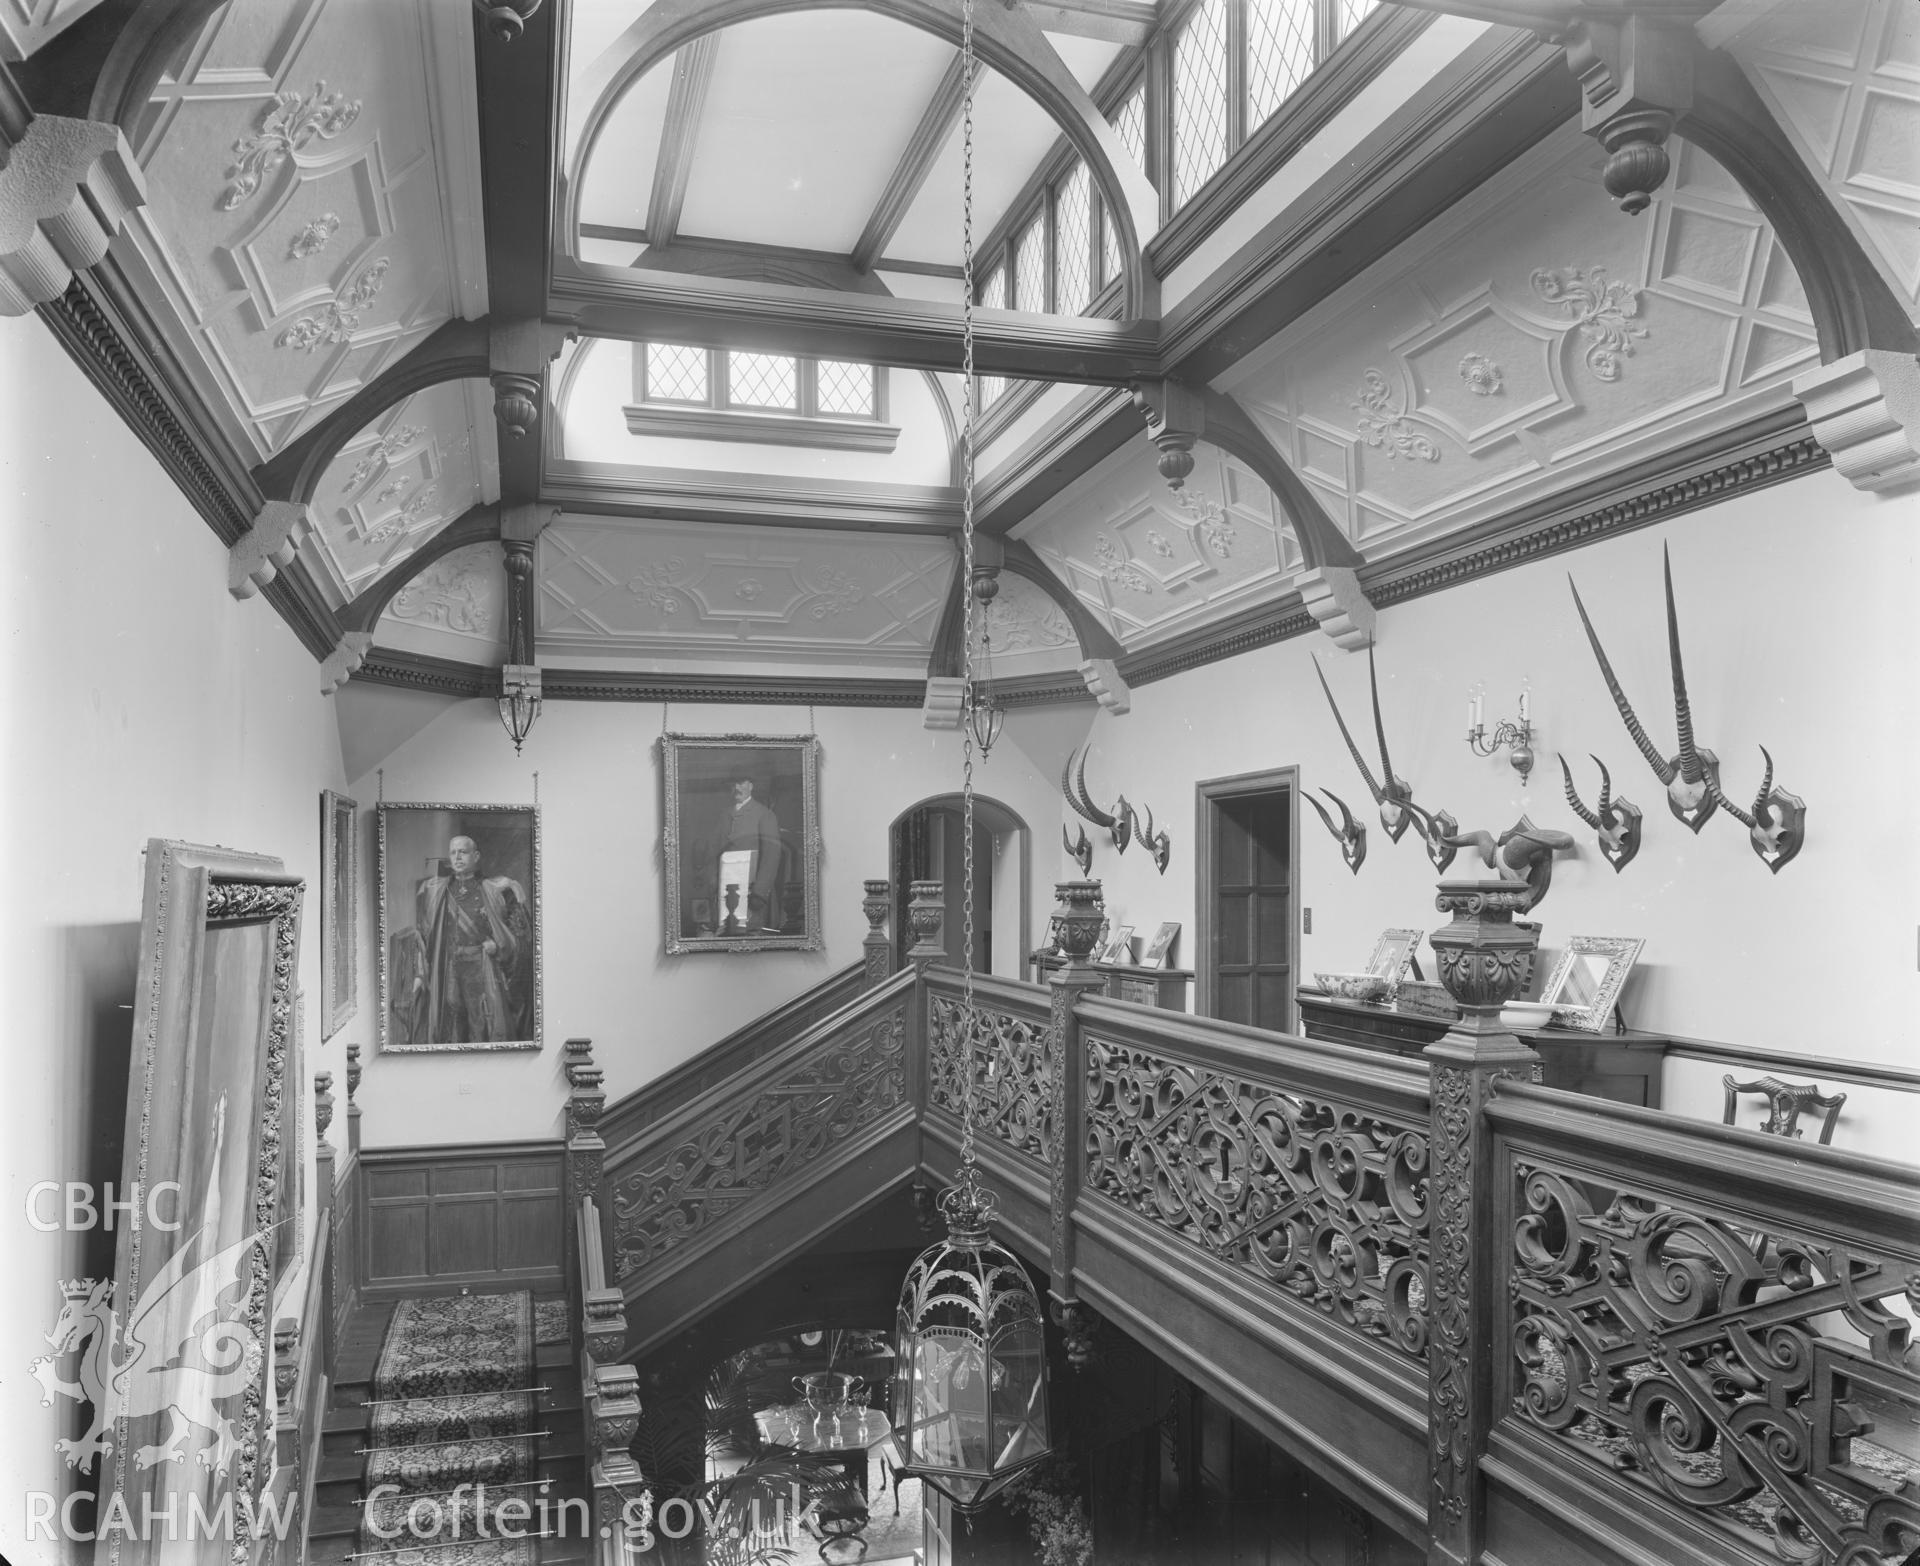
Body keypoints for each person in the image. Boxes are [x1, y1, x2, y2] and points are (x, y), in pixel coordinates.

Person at [392, 835, 534, 1044]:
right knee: (452, 1016)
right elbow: (424, 937)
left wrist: (499, 945)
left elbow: (522, 938)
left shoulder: (498, 890)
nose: (457, 857)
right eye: (453, 852)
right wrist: (420, 973)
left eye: (463, 852)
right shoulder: (436, 891)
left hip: (482, 968)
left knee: (480, 1020)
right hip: (449, 967)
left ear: (476, 856)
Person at [706, 776, 783, 933]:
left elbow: (771, 857)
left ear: (751, 786)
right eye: (733, 784)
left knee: (749, 937)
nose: (737, 788)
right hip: (726, 893)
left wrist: (759, 894)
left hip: (752, 894)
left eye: (741, 783)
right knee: (725, 937)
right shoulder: (724, 815)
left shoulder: (764, 814)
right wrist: (713, 882)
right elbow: (713, 852)